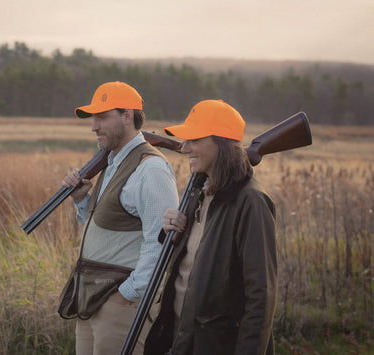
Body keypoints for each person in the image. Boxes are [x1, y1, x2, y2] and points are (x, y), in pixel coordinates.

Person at [144, 99, 278, 354]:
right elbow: (198, 266)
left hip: (217, 344)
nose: (183, 149)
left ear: (222, 144)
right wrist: (172, 233)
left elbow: (261, 299)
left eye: (193, 140)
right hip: (181, 337)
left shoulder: (251, 202)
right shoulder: (200, 192)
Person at [58, 81, 179, 355]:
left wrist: (126, 294)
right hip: (91, 297)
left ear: (127, 116)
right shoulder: (112, 161)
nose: (93, 127)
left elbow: (160, 245)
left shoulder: (151, 169)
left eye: (102, 117)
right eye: (92, 118)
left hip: (120, 304)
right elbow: (106, 228)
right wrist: (81, 200)